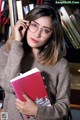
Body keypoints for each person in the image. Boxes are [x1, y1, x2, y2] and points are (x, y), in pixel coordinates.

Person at [0, 4, 70, 120]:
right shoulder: (6, 52)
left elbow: (63, 107)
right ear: (25, 24)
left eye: (45, 30)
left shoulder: (61, 65)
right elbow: (7, 85)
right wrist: (17, 44)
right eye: (34, 25)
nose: (37, 34)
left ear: (52, 35)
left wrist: (37, 110)